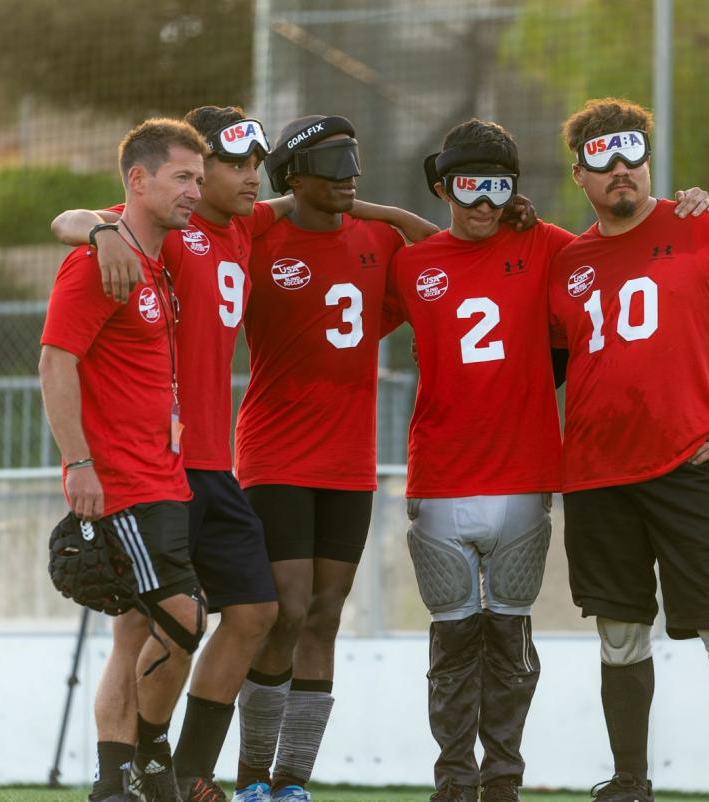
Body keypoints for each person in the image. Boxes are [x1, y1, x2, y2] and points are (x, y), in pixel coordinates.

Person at [53, 107, 435, 802]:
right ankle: (125, 775)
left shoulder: (249, 224)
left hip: (211, 464)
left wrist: (386, 209)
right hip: (151, 464)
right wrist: (103, 229)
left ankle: (188, 769)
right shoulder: (173, 228)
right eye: (229, 166)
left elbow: (303, 198)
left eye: (251, 165)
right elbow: (72, 220)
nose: (246, 177)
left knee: (254, 614)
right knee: (143, 625)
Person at [383, 119, 709, 802]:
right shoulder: (411, 263)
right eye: (468, 186)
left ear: (516, 192)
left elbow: (621, 245)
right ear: (442, 185)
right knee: (451, 643)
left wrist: (690, 211)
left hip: (527, 477)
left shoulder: (548, 248)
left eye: (498, 187)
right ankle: (453, 780)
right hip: (440, 478)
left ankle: (502, 778)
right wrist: (376, 209)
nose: (482, 203)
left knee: (509, 641)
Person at [546, 97, 709, 802]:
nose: (620, 167)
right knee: (620, 637)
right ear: (580, 175)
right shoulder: (567, 262)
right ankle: (630, 783)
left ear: (649, 161)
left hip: (691, 468)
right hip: (595, 479)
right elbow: (549, 371)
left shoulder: (702, 226)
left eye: (632, 151)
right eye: (602, 157)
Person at [228, 114, 438, 802]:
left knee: (324, 613)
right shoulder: (262, 233)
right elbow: (215, 220)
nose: (350, 174)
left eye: (354, 160)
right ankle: (251, 775)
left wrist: (376, 206)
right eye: (332, 164)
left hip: (349, 461)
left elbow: (439, 252)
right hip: (274, 453)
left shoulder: (378, 238)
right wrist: (287, 201)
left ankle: (292, 781)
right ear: (293, 176)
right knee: (284, 609)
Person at [39, 117, 211, 802]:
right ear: (137, 181)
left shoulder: (149, 257)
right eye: (181, 177)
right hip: (122, 481)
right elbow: (56, 362)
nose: (194, 191)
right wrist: (78, 463)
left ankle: (114, 785)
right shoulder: (99, 260)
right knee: (185, 616)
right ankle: (151, 762)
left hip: (163, 473)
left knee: (134, 631)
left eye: (199, 178)